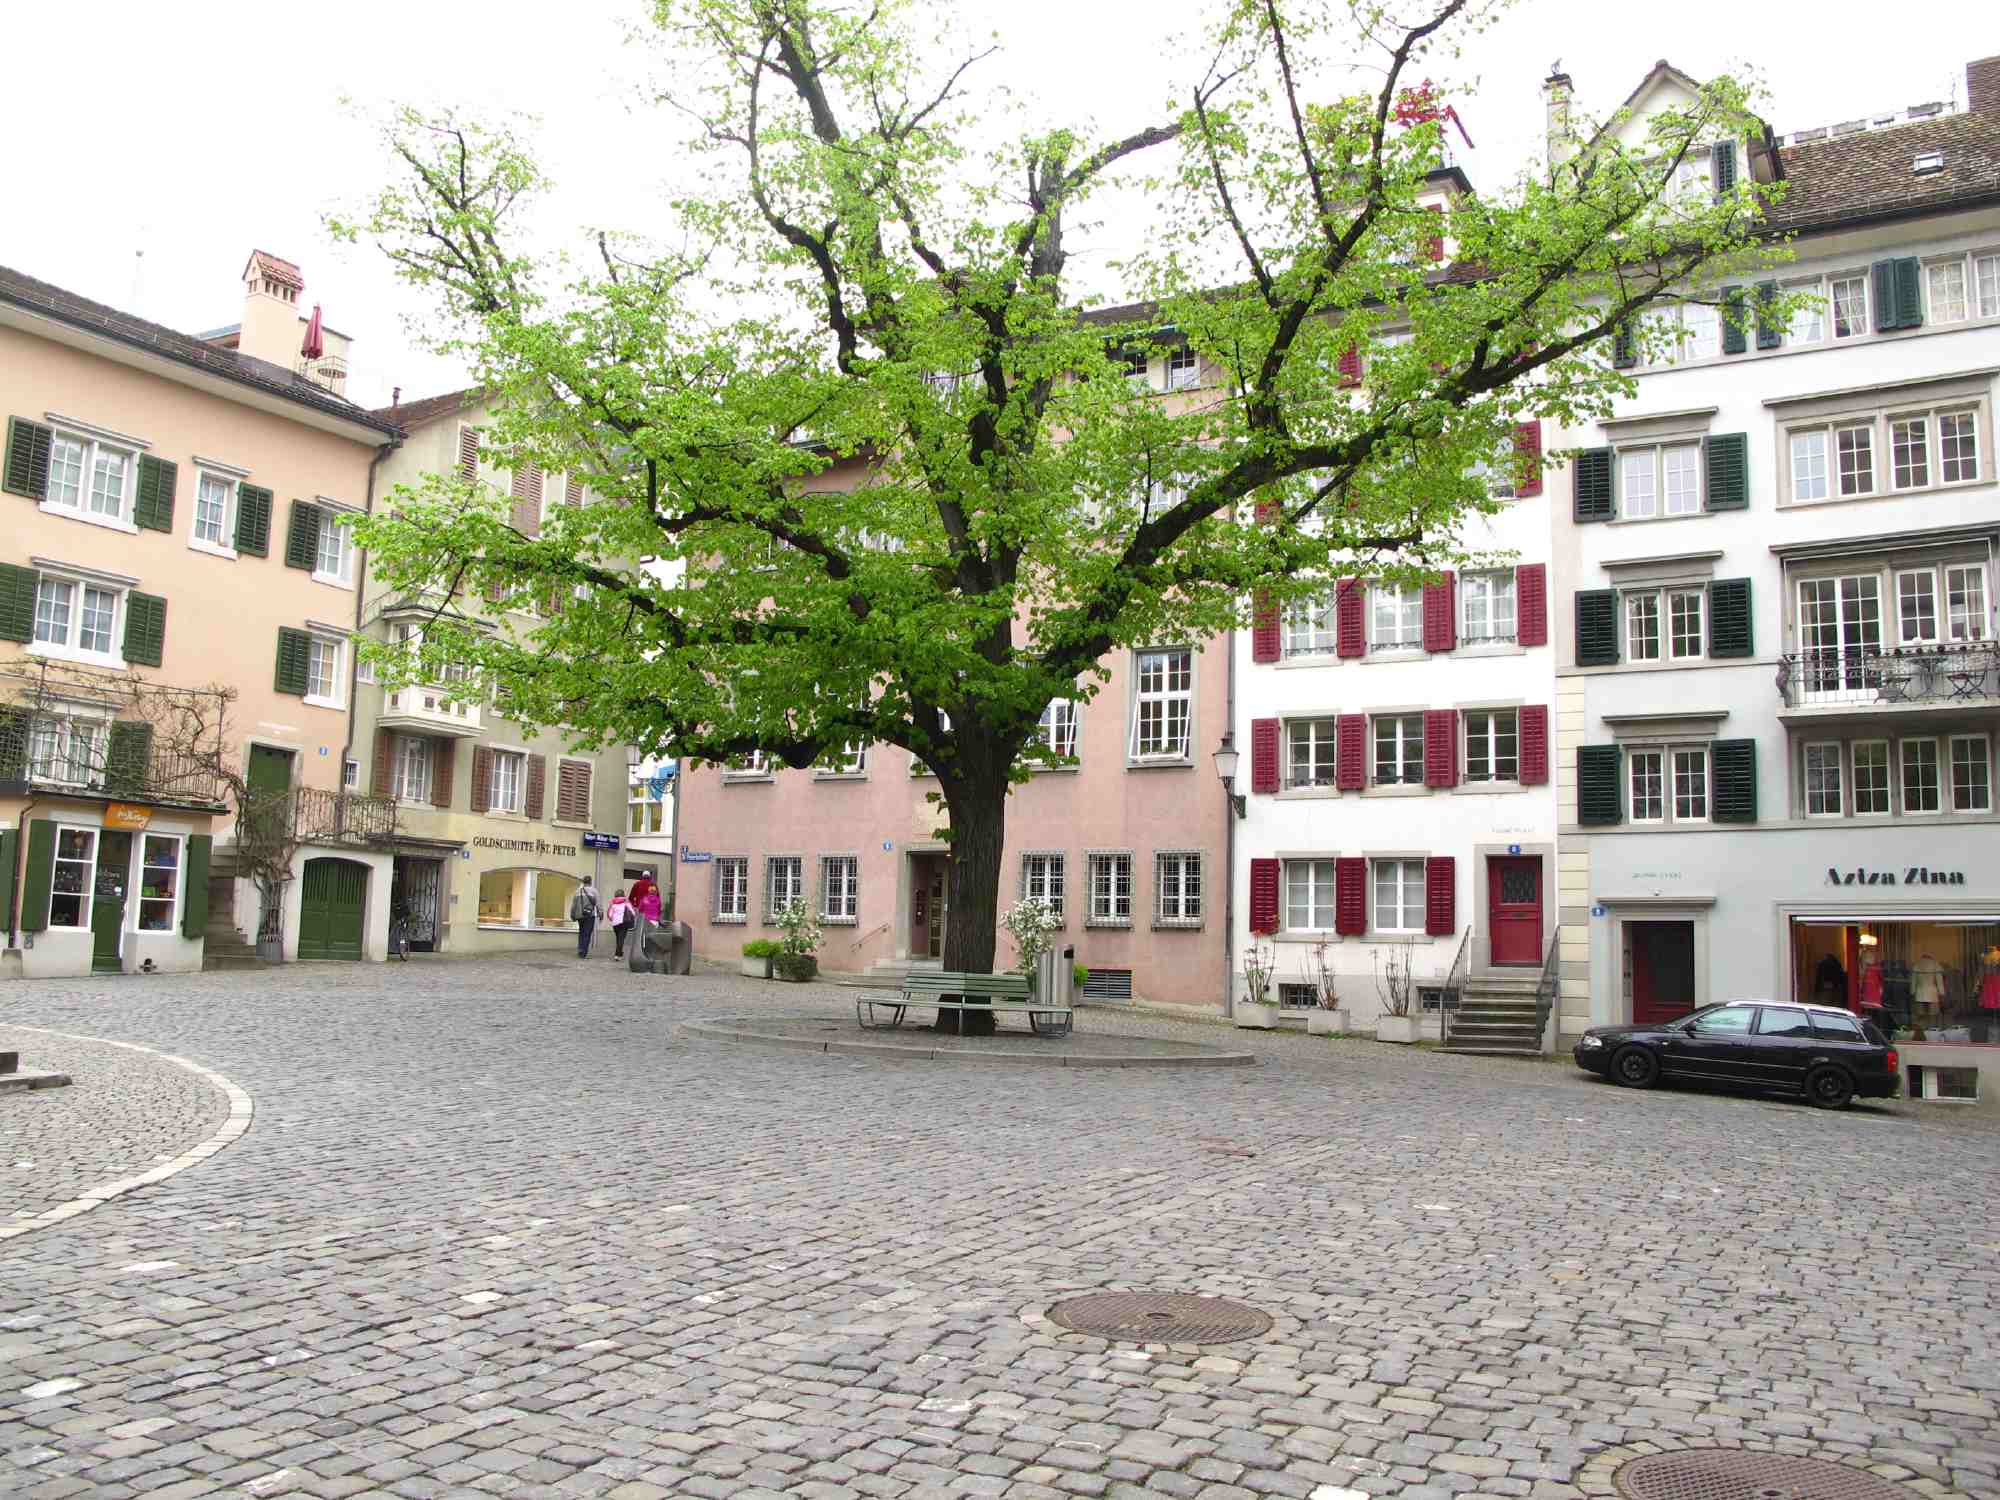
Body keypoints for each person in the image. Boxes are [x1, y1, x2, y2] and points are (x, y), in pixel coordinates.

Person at [570, 878, 600, 959]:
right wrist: (600, 913)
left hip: (579, 915)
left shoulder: (577, 891)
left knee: (581, 932)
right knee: (587, 933)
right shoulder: (594, 891)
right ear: (590, 882)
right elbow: (598, 903)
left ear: (583, 882)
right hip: (590, 915)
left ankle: (580, 949)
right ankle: (583, 952)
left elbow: (573, 905)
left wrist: (572, 915)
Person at [606, 888, 632, 958]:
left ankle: (619, 953)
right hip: (624, 922)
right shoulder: (626, 902)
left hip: (615, 924)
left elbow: (609, 914)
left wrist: (612, 919)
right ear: (623, 894)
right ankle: (617, 954)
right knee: (621, 938)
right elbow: (632, 912)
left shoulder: (613, 903)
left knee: (618, 938)